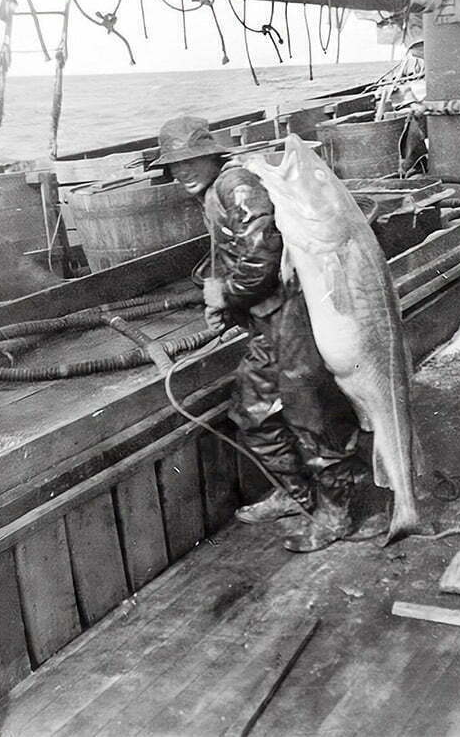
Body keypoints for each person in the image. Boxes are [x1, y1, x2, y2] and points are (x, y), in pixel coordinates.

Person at [150, 115, 359, 552]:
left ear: (212, 155)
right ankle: (300, 496)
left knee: (309, 416)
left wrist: (224, 295)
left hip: (291, 318)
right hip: (266, 321)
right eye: (174, 165)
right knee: (252, 409)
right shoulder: (213, 192)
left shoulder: (237, 186)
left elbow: (264, 258)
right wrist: (228, 305)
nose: (182, 171)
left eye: (191, 161)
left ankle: (336, 513)